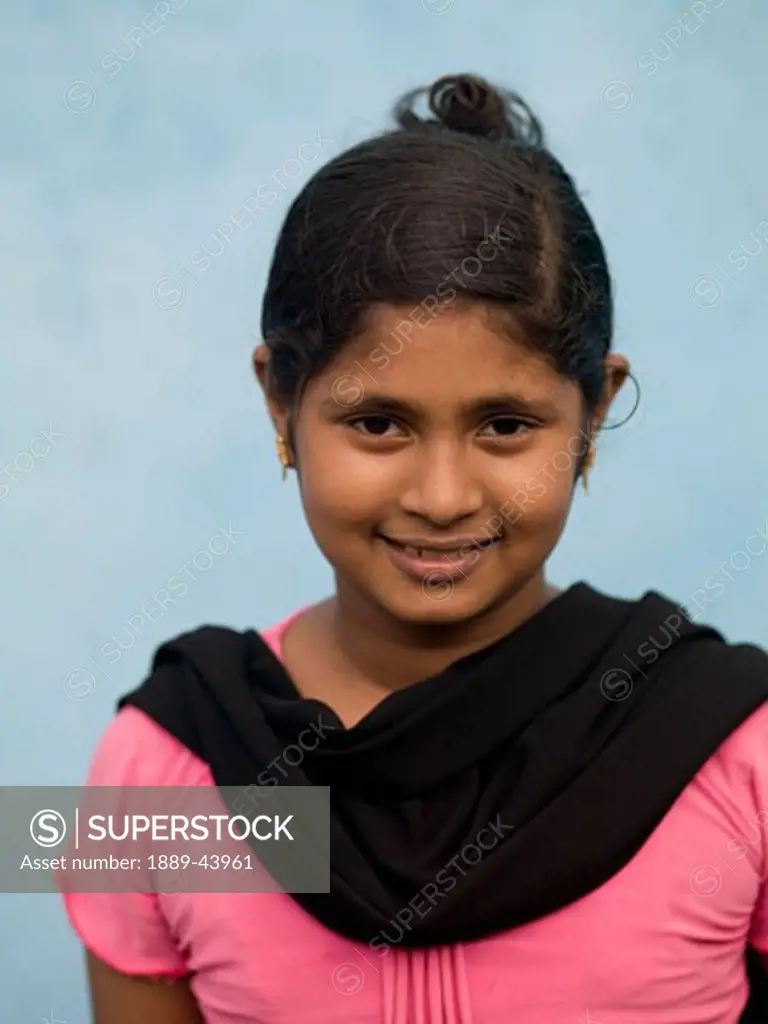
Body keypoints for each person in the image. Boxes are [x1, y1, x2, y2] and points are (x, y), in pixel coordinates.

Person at [61, 73, 768, 1023]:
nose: (442, 498)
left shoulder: (735, 745)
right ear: (280, 402)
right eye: (380, 423)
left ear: (595, 410)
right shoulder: (157, 771)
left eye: (508, 425)